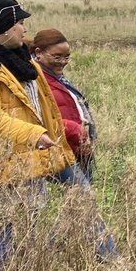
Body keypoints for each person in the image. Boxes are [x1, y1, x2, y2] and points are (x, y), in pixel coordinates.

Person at [0, 0, 117, 271]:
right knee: (8, 227)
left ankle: (112, 265)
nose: (26, 28)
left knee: (79, 202)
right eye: (20, 22)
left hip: (41, 152)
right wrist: (34, 134)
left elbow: (44, 105)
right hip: (2, 161)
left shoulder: (20, 60)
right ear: (4, 28)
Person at [31, 28, 99, 182]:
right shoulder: (36, 79)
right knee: (84, 197)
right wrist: (78, 132)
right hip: (56, 149)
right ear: (38, 52)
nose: (63, 62)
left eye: (67, 57)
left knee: (80, 198)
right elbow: (41, 118)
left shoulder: (56, 77)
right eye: (57, 57)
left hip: (74, 147)